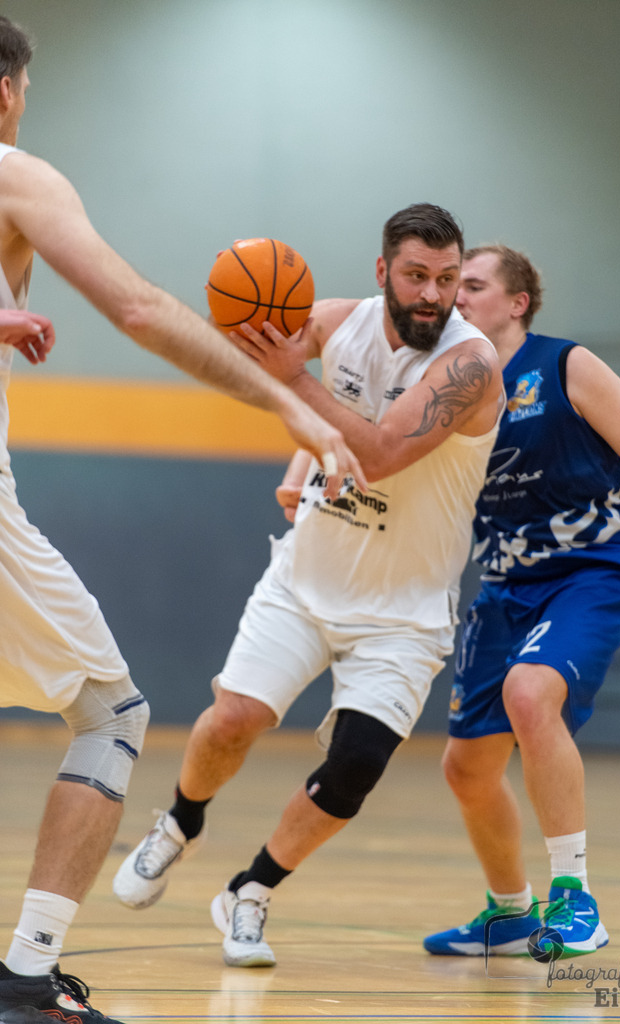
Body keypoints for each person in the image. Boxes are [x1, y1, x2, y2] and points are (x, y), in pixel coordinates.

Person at [0, 16, 363, 1024]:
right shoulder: (17, 174)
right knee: (109, 716)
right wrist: (285, 401)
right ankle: (27, 978)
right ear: (7, 93)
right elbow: (141, 310)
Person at [112, 202, 504, 968]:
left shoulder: (470, 364)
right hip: (306, 580)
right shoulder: (332, 321)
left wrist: (292, 381)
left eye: (448, 280)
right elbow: (251, 357)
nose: (433, 294)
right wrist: (238, 349)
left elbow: (384, 452)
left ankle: (251, 890)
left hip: (403, 612)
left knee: (354, 768)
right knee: (233, 720)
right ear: (383, 272)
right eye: (417, 276)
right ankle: (180, 823)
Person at [422, 245, 620, 961]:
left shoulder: (565, 365)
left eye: (470, 285)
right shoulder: (443, 386)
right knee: (465, 768)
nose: (455, 298)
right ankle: (508, 914)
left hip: (588, 572)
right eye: (449, 286)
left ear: (516, 303)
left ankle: (574, 898)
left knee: (529, 695)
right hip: (504, 586)